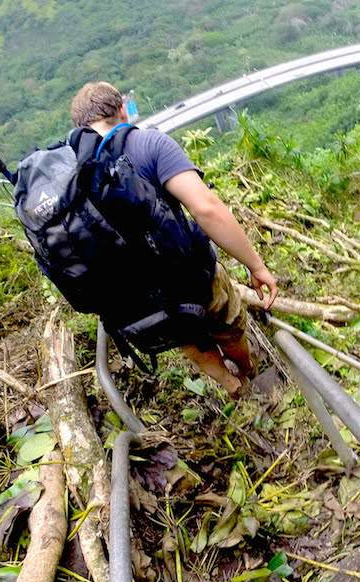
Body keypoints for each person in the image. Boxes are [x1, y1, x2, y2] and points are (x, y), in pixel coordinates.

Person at [69, 81, 278, 395]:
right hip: (194, 280)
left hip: (136, 303)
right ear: (122, 110)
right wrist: (256, 266)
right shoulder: (149, 145)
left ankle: (231, 385)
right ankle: (248, 372)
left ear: (81, 125)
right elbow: (206, 209)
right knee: (229, 328)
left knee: (190, 343)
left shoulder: (71, 174)